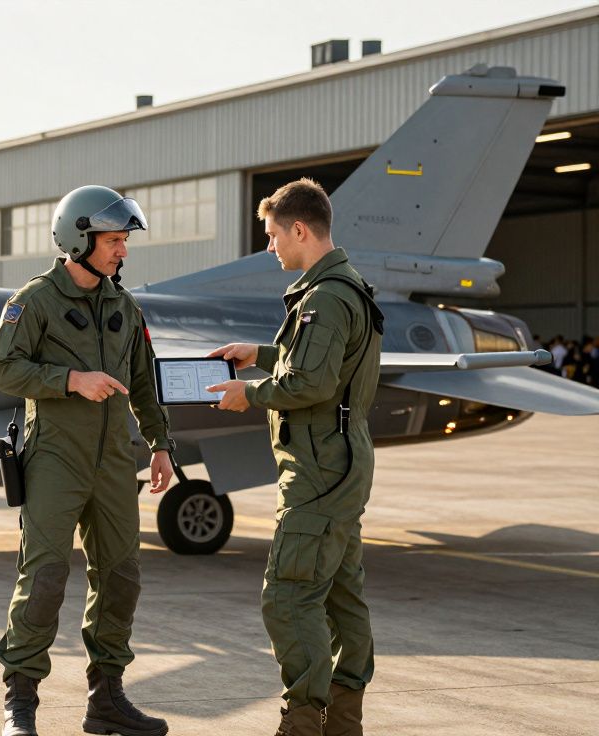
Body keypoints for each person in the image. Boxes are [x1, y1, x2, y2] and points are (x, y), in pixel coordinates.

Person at [0, 185, 174, 736]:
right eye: (114, 240)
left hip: (116, 463)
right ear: (79, 239)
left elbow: (144, 380)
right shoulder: (35, 300)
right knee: (44, 579)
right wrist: (69, 380)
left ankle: (107, 700)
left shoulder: (124, 304)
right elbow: (2, 367)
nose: (122, 251)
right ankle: (20, 704)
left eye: (123, 241)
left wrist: (162, 445)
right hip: (55, 460)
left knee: (121, 579)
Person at [206, 178, 382, 736]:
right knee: (341, 596)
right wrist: (259, 353)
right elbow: (323, 360)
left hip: (319, 469)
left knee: (287, 597)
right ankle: (344, 722)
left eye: (273, 235)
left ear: (299, 229)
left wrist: (249, 393)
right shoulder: (346, 287)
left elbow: (310, 382)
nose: (270, 247)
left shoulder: (324, 298)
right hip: (341, 464)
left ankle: (304, 722)